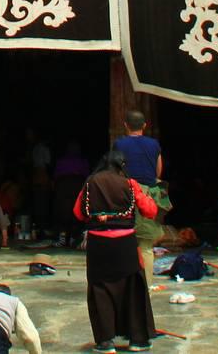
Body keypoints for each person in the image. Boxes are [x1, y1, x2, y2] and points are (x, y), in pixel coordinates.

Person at [74, 151, 158, 354]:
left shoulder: (91, 183)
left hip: (98, 246)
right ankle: (138, 341)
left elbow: (78, 213)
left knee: (100, 290)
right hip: (125, 245)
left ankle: (106, 342)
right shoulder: (130, 184)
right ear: (122, 165)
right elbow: (150, 211)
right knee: (133, 289)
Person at [112, 110, 168, 284]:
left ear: (126, 125)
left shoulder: (119, 144)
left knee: (123, 241)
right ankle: (145, 286)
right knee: (145, 246)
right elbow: (158, 171)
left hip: (126, 192)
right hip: (147, 195)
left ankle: (124, 285)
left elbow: (115, 170)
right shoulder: (154, 144)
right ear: (144, 125)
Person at [52, 143, 90, 248]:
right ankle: (73, 238)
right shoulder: (82, 161)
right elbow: (87, 176)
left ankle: (63, 239)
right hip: (76, 186)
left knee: (63, 211)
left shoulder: (61, 161)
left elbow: (55, 176)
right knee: (76, 211)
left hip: (63, 187)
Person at [24, 130, 52, 239]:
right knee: (43, 202)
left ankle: (39, 228)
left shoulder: (35, 149)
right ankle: (42, 229)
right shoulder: (44, 148)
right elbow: (47, 164)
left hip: (36, 176)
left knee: (38, 202)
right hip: (42, 175)